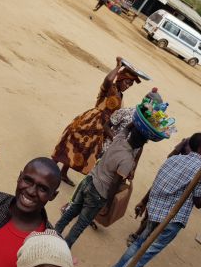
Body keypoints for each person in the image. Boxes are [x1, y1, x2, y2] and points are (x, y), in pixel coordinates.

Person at [102, 133, 201, 267]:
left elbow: (158, 183)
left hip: (155, 211)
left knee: (138, 245)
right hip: (171, 220)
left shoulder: (176, 159)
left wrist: (146, 202)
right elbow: (200, 201)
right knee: (142, 255)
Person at [127, 119, 201, 246]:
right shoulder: (189, 141)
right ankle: (138, 235)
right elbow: (171, 156)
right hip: (173, 178)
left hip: (182, 189)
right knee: (151, 214)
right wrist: (181, 165)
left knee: (156, 220)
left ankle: (141, 239)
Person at [52, 57, 141, 186]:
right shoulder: (110, 87)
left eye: (130, 85)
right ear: (120, 79)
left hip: (102, 127)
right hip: (91, 120)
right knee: (71, 141)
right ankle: (50, 166)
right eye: (127, 82)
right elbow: (108, 79)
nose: (127, 86)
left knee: (82, 149)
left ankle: (63, 173)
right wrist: (118, 66)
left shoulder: (120, 95)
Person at [55, 128, 147, 247]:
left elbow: (127, 128)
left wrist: (137, 122)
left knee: (72, 210)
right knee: (80, 224)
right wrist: (108, 204)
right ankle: (64, 248)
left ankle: (53, 232)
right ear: (141, 145)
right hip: (99, 193)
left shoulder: (118, 139)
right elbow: (115, 183)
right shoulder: (128, 160)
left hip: (88, 180)